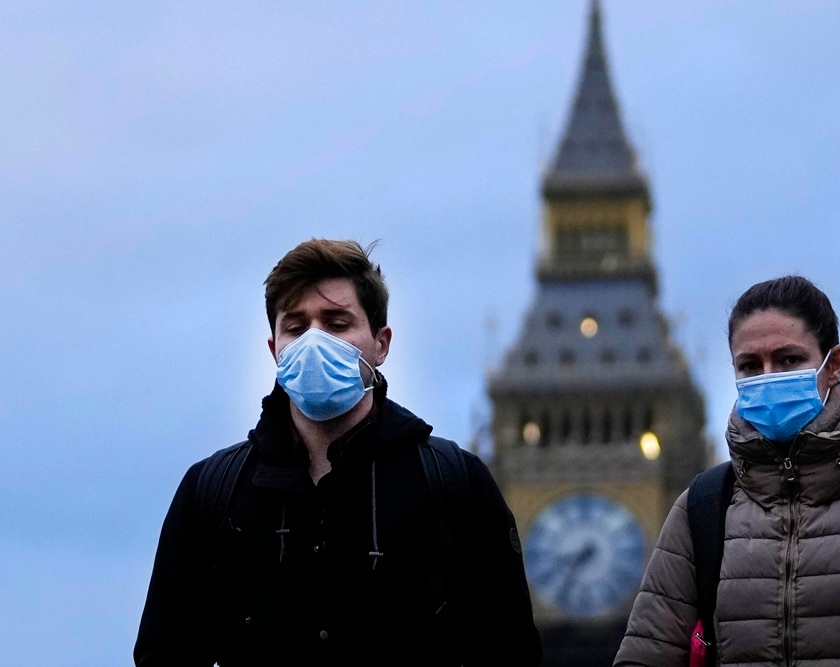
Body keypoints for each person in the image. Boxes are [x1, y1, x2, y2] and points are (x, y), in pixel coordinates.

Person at [134, 239, 542, 666]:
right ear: (274, 350)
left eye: (336, 323)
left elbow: (507, 648)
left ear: (381, 345)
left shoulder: (453, 484)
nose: (314, 341)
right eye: (295, 326)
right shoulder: (215, 493)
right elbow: (166, 652)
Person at [614, 276, 840, 667]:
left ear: (833, 364)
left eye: (789, 359)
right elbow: (645, 653)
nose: (768, 376)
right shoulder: (701, 508)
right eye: (750, 365)